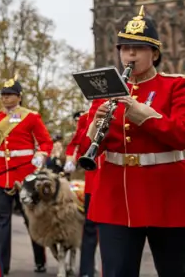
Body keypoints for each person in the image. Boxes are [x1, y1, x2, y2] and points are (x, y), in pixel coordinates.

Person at [84, 6, 185, 277]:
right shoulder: (105, 92)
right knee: (116, 272)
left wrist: (146, 117)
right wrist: (94, 125)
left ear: (154, 53)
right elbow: (86, 150)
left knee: (175, 271)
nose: (130, 54)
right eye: (125, 48)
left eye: (138, 48)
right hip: (117, 195)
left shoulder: (176, 85)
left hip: (168, 192)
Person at [0, 75, 53, 274]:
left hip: (25, 176)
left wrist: (40, 156)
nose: (6, 98)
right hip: (1, 176)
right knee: (0, 222)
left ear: (19, 97)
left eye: (10, 95)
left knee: (31, 220)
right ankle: (2, 265)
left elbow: (45, 142)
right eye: (3, 95)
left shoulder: (31, 117)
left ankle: (40, 260)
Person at [64, 110, 101, 277]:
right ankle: (86, 270)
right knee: (90, 229)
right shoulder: (87, 117)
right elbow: (79, 143)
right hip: (93, 181)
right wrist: (71, 158)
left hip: (118, 180)